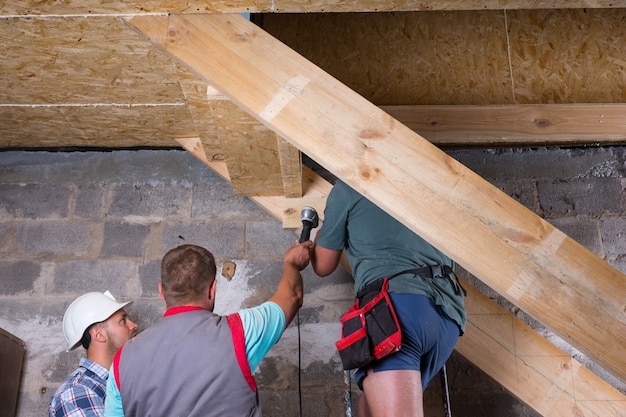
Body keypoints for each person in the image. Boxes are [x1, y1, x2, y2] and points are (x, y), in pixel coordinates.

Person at [310, 180, 467, 417]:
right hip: (447, 314)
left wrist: (322, 235)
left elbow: (323, 265)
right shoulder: (431, 182)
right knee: (371, 407)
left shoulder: (349, 186)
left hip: (395, 314)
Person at [104, 241, 311, 417]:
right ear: (213, 289)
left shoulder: (122, 360)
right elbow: (291, 296)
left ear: (161, 291)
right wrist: (291, 264)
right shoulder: (240, 331)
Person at [49, 291, 138, 417]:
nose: (134, 325)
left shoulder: (123, 381)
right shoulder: (76, 394)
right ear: (99, 335)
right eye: (123, 321)